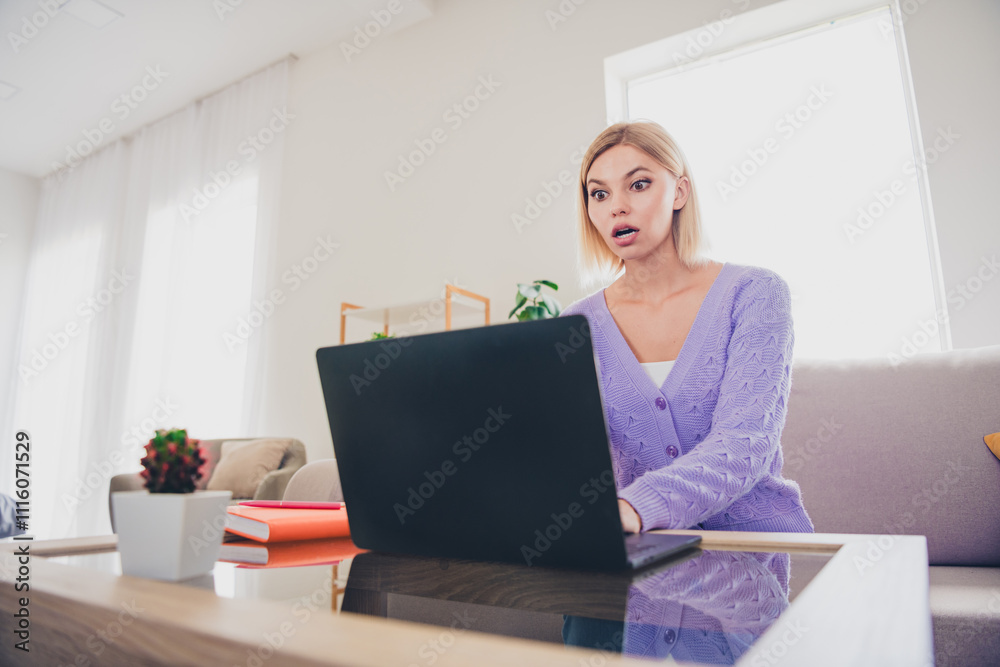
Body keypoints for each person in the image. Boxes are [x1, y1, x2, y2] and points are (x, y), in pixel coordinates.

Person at [559, 120, 813, 535]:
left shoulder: (754, 293)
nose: (616, 207)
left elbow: (745, 443)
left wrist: (636, 508)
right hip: (637, 555)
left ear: (679, 192)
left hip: (745, 557)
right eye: (599, 193)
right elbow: (568, 459)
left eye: (637, 185)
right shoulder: (576, 325)